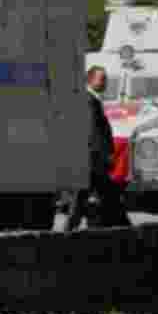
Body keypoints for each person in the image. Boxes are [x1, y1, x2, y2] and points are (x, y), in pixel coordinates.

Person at [66, 65, 131, 230]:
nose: (105, 82)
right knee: (89, 196)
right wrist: (104, 155)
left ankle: (125, 227)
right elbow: (93, 131)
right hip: (92, 159)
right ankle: (68, 231)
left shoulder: (92, 99)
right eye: (102, 79)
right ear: (90, 80)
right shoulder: (89, 100)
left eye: (105, 79)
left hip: (93, 159)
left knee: (104, 195)